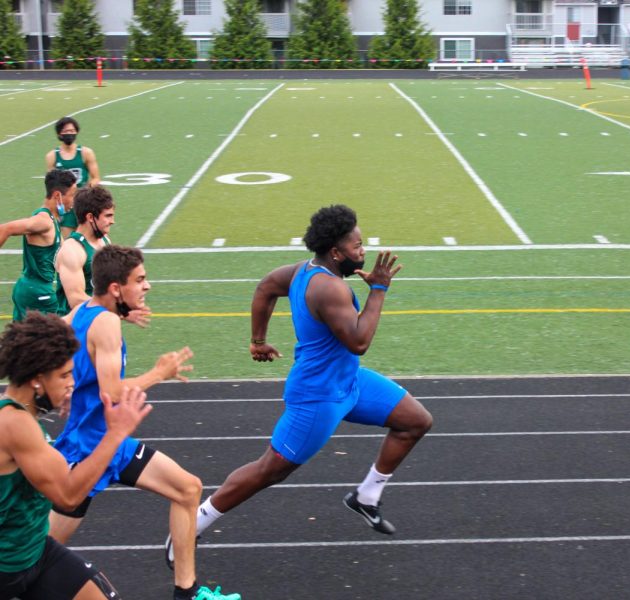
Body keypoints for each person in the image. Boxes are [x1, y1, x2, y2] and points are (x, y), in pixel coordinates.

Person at [180, 204, 432, 564]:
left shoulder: (302, 271)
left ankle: (366, 497)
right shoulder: (329, 290)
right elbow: (359, 341)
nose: (363, 251)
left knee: (415, 421)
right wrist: (378, 289)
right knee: (270, 469)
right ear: (335, 252)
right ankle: (191, 525)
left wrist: (257, 340)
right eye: (357, 246)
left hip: (349, 381)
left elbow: (266, 287)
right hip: (318, 395)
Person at [49, 245, 239, 600]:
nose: (147, 286)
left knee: (187, 489)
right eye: (140, 279)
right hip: (89, 450)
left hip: (114, 445)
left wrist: (65, 388)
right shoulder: (105, 323)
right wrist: (159, 372)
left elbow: (54, 342)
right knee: (35, 553)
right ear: (116, 288)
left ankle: (187, 591)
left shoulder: (82, 312)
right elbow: (111, 391)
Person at [0, 311, 151, 599]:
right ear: (37, 379)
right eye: (65, 375)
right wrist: (115, 434)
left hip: (32, 552)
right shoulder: (14, 423)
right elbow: (68, 496)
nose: (73, 382)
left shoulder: (21, 415)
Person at [55, 185, 150, 326]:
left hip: (98, 321)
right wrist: (123, 313)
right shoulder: (72, 250)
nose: (112, 221)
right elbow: (75, 299)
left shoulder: (104, 241)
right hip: (75, 329)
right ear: (90, 217)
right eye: (108, 216)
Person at [0, 169, 77, 321]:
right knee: (60, 336)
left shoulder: (52, 220)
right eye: (72, 195)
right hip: (38, 294)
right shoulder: (43, 221)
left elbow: (66, 252)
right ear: (57, 196)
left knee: (19, 341)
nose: (73, 201)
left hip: (30, 290)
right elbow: (5, 229)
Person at [45, 116, 101, 237]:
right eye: (65, 131)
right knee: (67, 238)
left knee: (91, 236)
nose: (69, 134)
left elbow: (96, 178)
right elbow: (50, 184)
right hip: (65, 204)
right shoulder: (52, 156)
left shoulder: (86, 153)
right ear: (59, 134)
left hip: (83, 202)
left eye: (71, 131)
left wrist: (86, 192)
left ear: (76, 132)